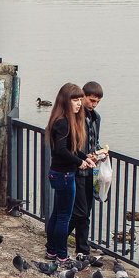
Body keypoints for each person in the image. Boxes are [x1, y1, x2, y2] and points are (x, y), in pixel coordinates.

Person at [44, 83, 94, 263]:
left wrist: (84, 157)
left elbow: (70, 148)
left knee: (57, 214)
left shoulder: (62, 120)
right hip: (64, 175)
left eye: (80, 99)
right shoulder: (64, 123)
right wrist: (79, 162)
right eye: (75, 100)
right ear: (66, 101)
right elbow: (62, 151)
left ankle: (51, 251)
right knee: (64, 218)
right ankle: (62, 256)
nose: (79, 103)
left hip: (58, 173)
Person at [69, 81, 107, 259]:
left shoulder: (96, 118)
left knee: (85, 212)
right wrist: (84, 156)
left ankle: (82, 250)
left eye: (97, 102)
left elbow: (93, 141)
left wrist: (100, 153)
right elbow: (72, 145)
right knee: (80, 212)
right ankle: (57, 239)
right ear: (82, 96)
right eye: (91, 100)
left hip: (91, 171)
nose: (94, 105)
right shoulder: (75, 117)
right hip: (77, 168)